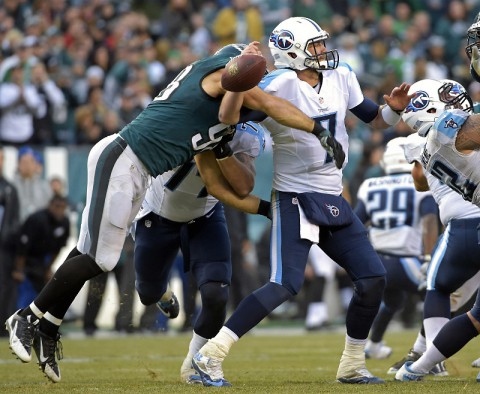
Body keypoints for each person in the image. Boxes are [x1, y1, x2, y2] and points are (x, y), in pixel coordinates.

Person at [5, 40, 343, 384]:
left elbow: (242, 111)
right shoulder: (219, 69)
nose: (256, 81)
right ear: (236, 62)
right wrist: (316, 128)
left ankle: (48, 326)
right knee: (100, 258)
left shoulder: (229, 107)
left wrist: (311, 129)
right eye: (252, 71)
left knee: (91, 252)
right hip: (125, 159)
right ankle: (27, 316)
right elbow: (263, 99)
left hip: (141, 172)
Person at [192, 17, 414, 387]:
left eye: (322, 44)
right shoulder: (277, 84)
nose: (323, 51)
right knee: (284, 283)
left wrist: (393, 109)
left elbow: (376, 119)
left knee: (374, 278)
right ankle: (211, 354)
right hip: (294, 195)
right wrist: (237, 82)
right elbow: (228, 116)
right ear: (292, 52)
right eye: (315, 46)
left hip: (330, 194)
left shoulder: (342, 75)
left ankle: (352, 364)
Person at [134, 121, 266, 384]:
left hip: (205, 215)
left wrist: (224, 149)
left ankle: (195, 363)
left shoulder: (247, 133)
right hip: (158, 215)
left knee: (217, 294)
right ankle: (162, 294)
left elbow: (244, 185)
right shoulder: (185, 114)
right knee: (147, 293)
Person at [394, 130, 480, 382]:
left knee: (440, 289)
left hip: (460, 225)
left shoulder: (422, 141)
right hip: (466, 217)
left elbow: (420, 181)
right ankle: (422, 363)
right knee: (476, 315)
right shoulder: (464, 126)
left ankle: (422, 363)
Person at [355, 137, 439, 360]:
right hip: (407, 260)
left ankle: (373, 344)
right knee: (439, 298)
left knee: (393, 301)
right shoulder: (420, 185)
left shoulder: (369, 185)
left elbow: (356, 224)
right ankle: (432, 355)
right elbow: (430, 221)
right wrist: (430, 257)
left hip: (376, 261)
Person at [12, 194, 70, 308]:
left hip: (44, 259)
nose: (59, 210)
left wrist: (48, 268)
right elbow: (23, 246)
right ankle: (19, 319)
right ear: (50, 205)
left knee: (42, 295)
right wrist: (19, 269)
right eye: (57, 206)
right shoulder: (37, 219)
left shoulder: (65, 222)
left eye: (63, 207)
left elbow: (58, 249)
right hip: (27, 258)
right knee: (26, 294)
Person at [0, 146, 21, 337]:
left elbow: (13, 220)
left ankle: (2, 326)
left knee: (5, 286)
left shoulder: (9, 189)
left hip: (3, 247)